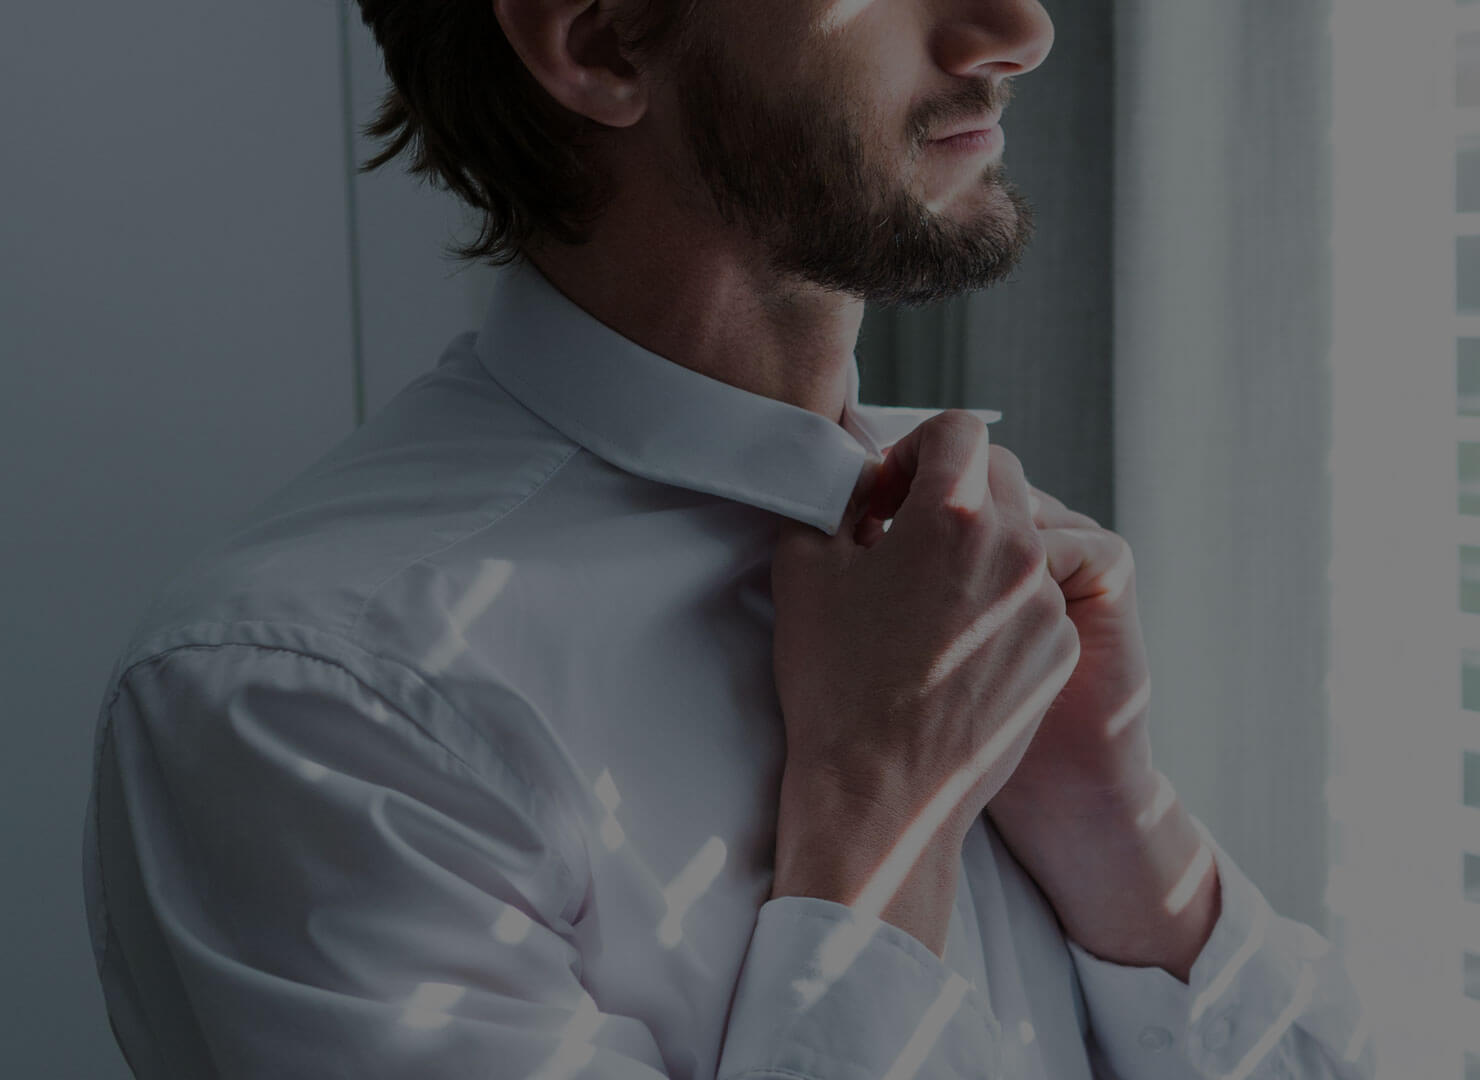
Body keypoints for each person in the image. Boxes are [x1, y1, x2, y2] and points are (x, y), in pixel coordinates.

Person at [80, 1, 1374, 1077]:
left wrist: (1114, 834)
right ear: (597, 40)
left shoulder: (977, 567)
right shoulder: (307, 704)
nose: (1019, 29)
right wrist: (885, 809)